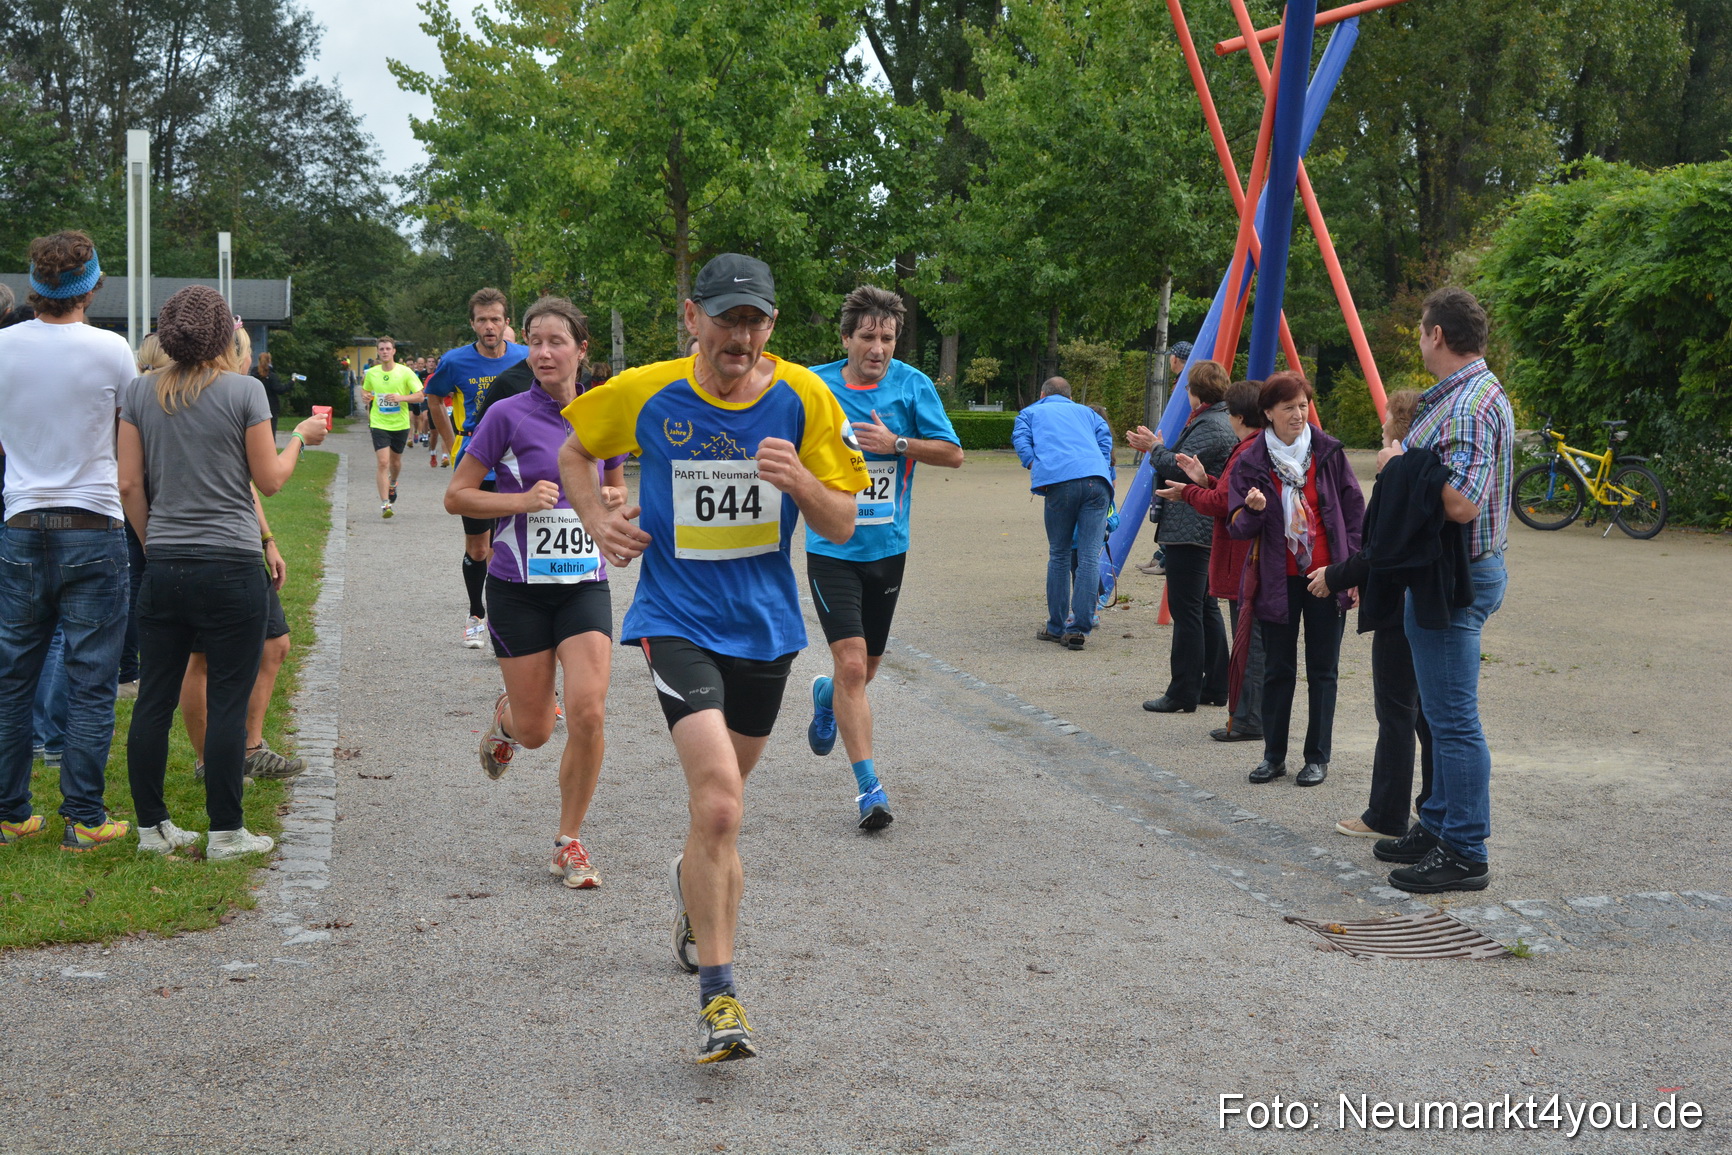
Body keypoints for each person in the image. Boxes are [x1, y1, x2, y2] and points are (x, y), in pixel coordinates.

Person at [557, 253, 865, 1063]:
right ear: (692, 316)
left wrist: (800, 480)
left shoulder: (803, 396)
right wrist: (596, 519)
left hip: (766, 630)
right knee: (723, 805)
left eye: (756, 319)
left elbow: (841, 524)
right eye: (727, 317)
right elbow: (573, 450)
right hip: (676, 618)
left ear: (773, 323)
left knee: (714, 815)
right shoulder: (651, 391)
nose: (742, 334)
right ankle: (720, 998)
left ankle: (692, 887)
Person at [118, 284, 328, 857]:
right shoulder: (244, 391)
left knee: (153, 699)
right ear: (221, 334)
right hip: (232, 564)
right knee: (230, 699)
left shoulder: (139, 393)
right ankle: (226, 832)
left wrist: (153, 541)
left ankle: (151, 828)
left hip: (165, 564)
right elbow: (272, 479)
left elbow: (129, 484)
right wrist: (300, 441)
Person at [452, 296, 626, 889]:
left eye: (557, 341)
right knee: (536, 731)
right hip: (517, 589)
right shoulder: (506, 414)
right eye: (535, 341)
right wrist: (521, 501)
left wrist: (612, 504)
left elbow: (615, 486)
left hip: (583, 585)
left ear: (582, 349)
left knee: (588, 710)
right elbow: (458, 496)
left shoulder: (606, 414)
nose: (544, 352)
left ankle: (569, 840)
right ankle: (505, 723)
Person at [802, 285, 963, 830]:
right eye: (868, 337)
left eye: (888, 338)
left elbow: (954, 453)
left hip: (887, 550)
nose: (878, 347)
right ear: (846, 337)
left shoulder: (912, 386)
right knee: (851, 662)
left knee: (863, 671)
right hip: (831, 550)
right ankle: (869, 788)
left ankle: (825, 696)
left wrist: (896, 444)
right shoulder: (813, 385)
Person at [1370, 288, 1513, 893]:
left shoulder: (1466, 405)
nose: (1420, 339)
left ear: (1436, 335)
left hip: (1454, 579)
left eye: (1422, 330)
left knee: (1453, 721)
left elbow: (1460, 502)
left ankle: (1465, 849)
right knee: (1439, 711)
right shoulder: (1471, 394)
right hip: (1444, 575)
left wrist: (1396, 467)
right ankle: (1437, 824)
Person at [0, 231, 136, 851]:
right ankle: (83, 817)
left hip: (22, 525)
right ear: (92, 285)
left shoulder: (2, 347)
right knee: (90, 680)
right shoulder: (112, 350)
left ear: (35, 284)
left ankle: (9, 811)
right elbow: (126, 437)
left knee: (13, 677)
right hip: (93, 524)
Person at [1307, 389, 1473, 840]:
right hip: (1423, 600)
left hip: (1402, 606)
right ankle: (1429, 807)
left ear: (1396, 428)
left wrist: (1335, 576)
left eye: (1384, 424)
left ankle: (1386, 814)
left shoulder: (1402, 476)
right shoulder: (1428, 477)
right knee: (1426, 715)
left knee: (1397, 711)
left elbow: (1380, 550)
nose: (1380, 431)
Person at [1226, 372, 1364, 789]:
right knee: (1278, 671)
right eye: (1288, 407)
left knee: (1324, 670)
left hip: (1326, 576)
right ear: (1267, 412)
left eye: (1303, 405)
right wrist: (1251, 509)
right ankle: (1273, 756)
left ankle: (1317, 757)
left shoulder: (1328, 451)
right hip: (1275, 579)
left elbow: (1354, 512)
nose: (1298, 414)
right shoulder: (1250, 458)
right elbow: (1236, 526)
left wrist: (1351, 571)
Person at [1154, 380, 1267, 742]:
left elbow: (1223, 501)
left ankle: (1243, 714)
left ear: (1237, 415)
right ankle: (1223, 693)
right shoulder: (1247, 443)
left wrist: (1187, 488)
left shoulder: (1243, 445)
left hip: (1220, 543)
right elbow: (1227, 492)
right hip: (1223, 543)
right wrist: (1205, 480)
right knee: (1211, 614)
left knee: (1233, 629)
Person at [1126, 360, 1237, 713]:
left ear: (1196, 391)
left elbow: (1180, 466)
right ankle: (1216, 684)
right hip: (1199, 524)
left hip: (1192, 525)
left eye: (1187, 387)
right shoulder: (1217, 419)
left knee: (1187, 609)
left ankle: (1183, 691)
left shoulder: (1210, 423)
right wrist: (1159, 446)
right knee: (1204, 608)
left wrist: (1154, 450)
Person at [424, 289, 531, 647]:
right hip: (478, 461)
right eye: (482, 320)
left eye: (495, 319)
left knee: (510, 545)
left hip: (516, 463)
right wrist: (451, 437)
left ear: (506, 323)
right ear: (472, 323)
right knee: (479, 548)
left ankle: (506, 618)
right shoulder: (455, 361)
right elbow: (434, 397)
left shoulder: (527, 357)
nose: (489, 326)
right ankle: (476, 614)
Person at [1013, 376, 1115, 650]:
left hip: (1060, 481)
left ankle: (1056, 626)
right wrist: (1102, 466)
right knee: (1088, 557)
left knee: (1059, 554)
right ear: (1070, 397)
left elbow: (1021, 440)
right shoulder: (1087, 412)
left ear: (1042, 393)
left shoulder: (1030, 412)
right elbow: (1105, 440)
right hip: (1097, 482)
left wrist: (1037, 465)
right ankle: (1080, 627)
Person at [1138, 340, 1195, 575]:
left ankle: (1165, 556)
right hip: (1176, 447)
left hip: (1176, 448)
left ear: (1174, 359)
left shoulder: (1185, 384)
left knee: (1166, 498)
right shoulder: (1189, 382)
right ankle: (1161, 553)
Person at [362, 337, 422, 519]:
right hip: (379, 423)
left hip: (400, 424)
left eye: (388, 348)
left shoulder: (405, 372)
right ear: (378, 352)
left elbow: (420, 396)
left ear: (394, 351)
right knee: (382, 462)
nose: (385, 352)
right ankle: (385, 503)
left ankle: (393, 482)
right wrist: (365, 397)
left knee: (395, 463)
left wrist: (400, 398)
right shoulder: (371, 373)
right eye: (381, 349)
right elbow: (366, 391)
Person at [255, 351, 291, 437]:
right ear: (269, 361)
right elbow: (280, 389)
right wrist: (291, 382)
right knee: (270, 432)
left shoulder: (254, 374)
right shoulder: (271, 376)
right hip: (271, 407)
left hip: (256, 405)